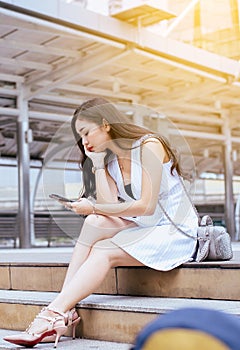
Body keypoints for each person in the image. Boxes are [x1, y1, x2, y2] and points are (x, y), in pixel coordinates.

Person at [4, 97, 198, 348]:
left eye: (86, 132)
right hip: (146, 227)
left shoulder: (150, 145)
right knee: (95, 221)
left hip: (174, 232)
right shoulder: (111, 162)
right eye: (80, 136)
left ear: (105, 124)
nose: (84, 141)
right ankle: (66, 309)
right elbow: (110, 210)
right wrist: (97, 164)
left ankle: (52, 315)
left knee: (103, 249)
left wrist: (93, 205)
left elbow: (145, 205)